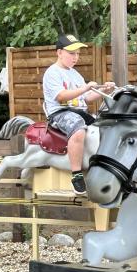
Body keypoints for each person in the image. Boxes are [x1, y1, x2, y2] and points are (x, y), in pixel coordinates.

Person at [42, 33, 115, 195]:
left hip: (79, 111)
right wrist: (85, 88)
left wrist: (105, 90)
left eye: (77, 54)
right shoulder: (52, 72)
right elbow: (61, 96)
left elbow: (87, 98)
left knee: (104, 126)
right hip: (60, 112)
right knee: (78, 128)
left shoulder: (75, 74)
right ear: (59, 52)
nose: (75, 57)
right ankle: (76, 174)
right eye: (71, 53)